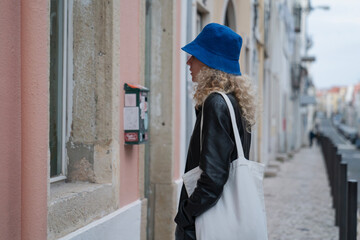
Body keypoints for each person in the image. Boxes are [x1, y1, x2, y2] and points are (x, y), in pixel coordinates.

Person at [174, 23, 257, 240]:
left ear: (210, 64)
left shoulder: (215, 104)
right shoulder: (235, 103)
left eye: (195, 56)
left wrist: (185, 215)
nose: (189, 62)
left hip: (205, 223)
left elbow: (213, 178)